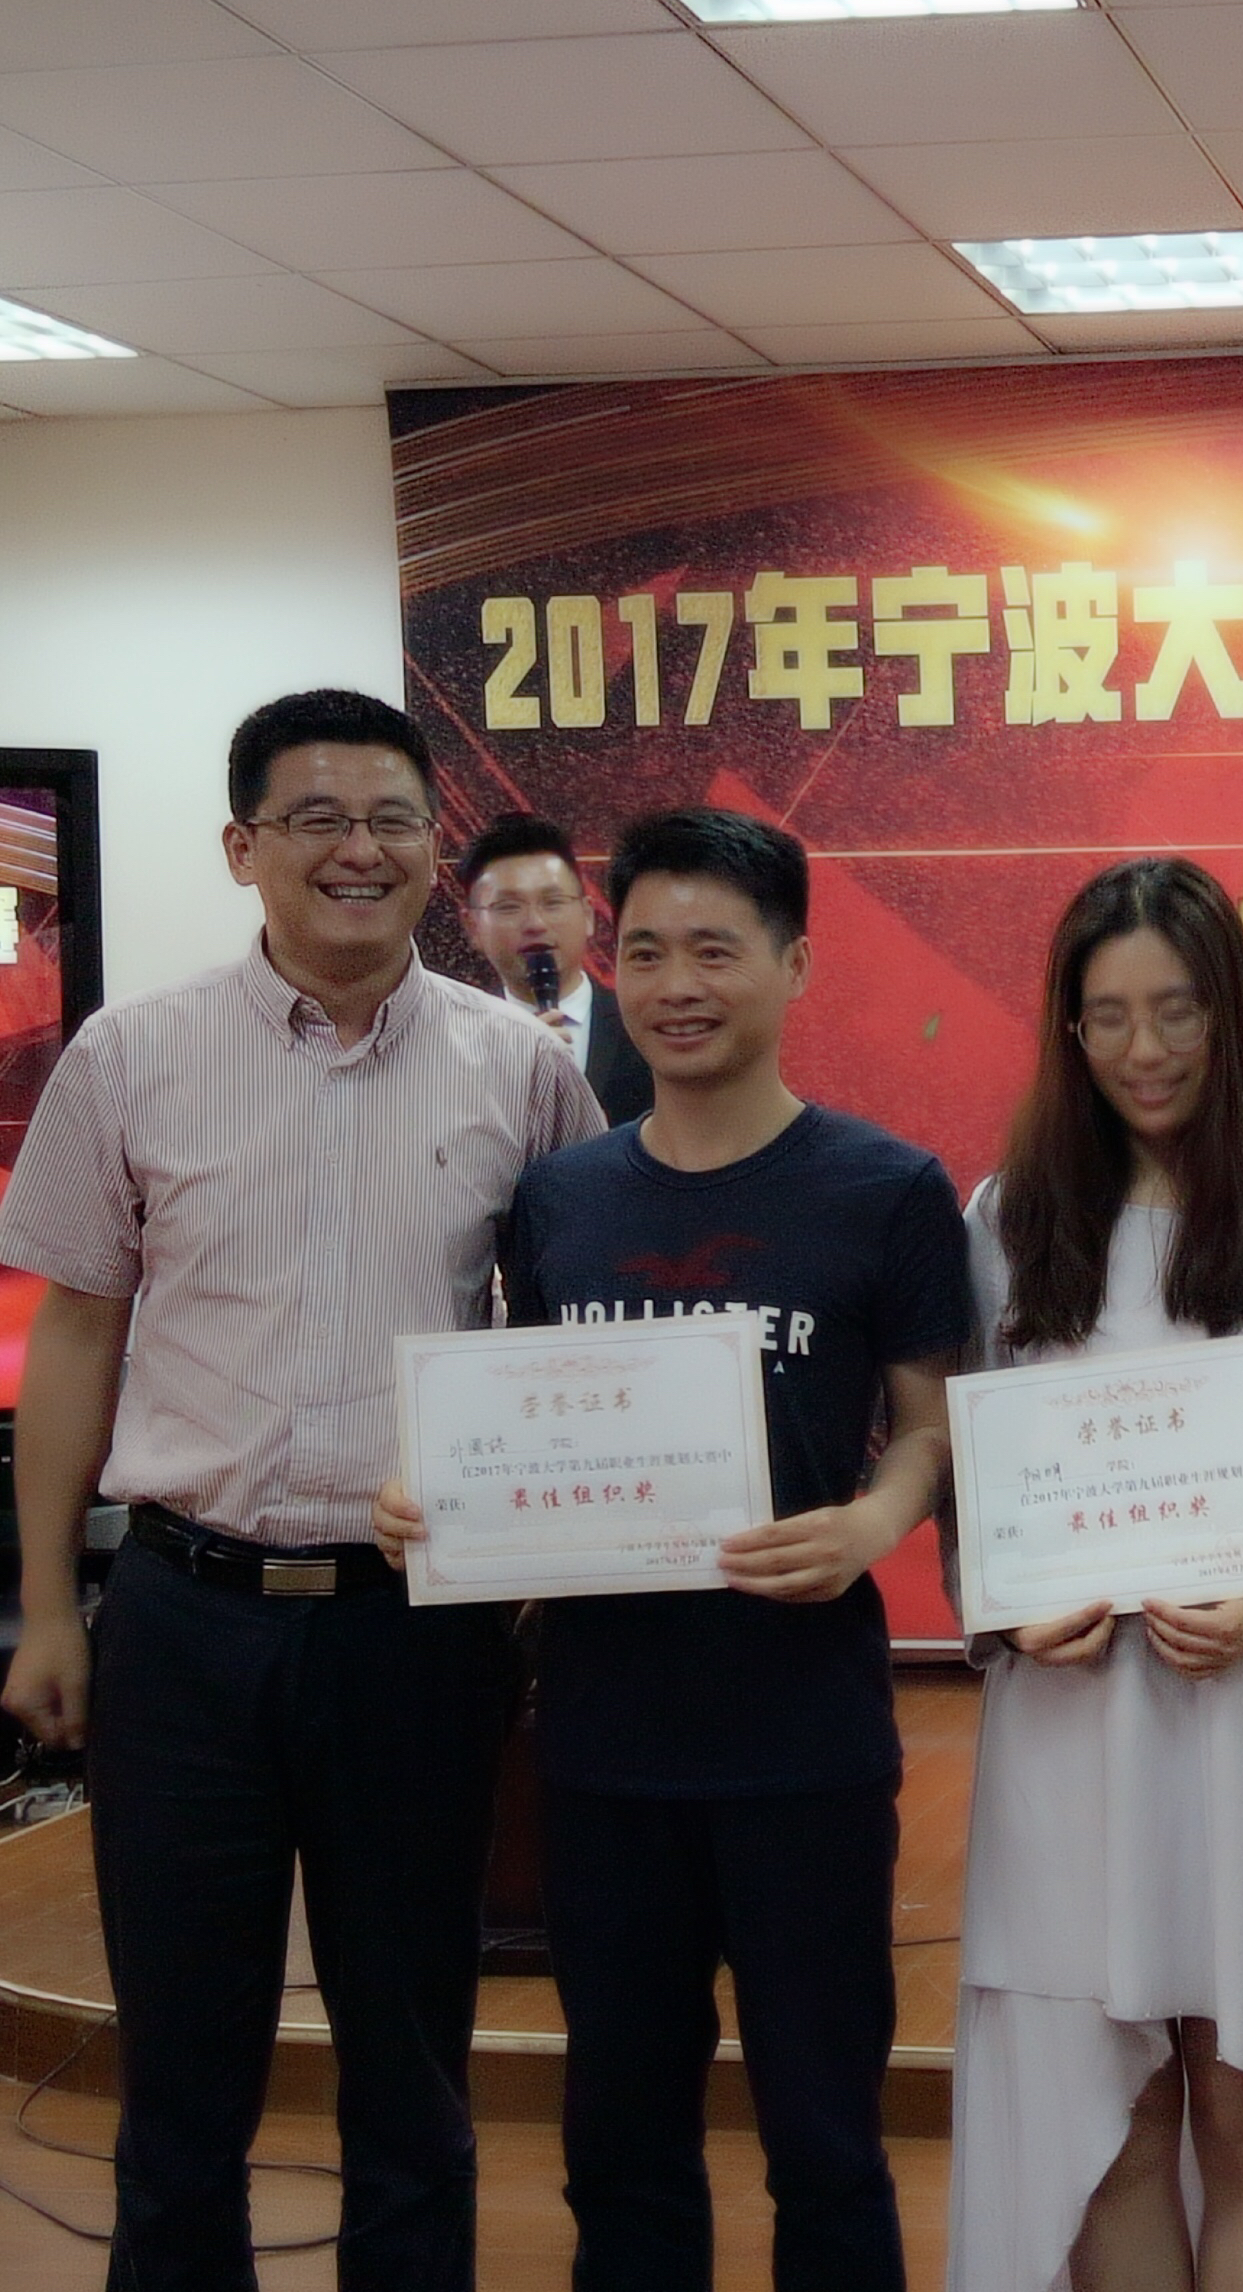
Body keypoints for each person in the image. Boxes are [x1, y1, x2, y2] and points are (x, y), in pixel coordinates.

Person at [0, 687, 605, 2290]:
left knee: (412, 2061)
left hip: (416, 1634)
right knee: (182, 2066)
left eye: (394, 820)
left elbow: (568, 1340)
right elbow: (76, 1333)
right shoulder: (134, 1056)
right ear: (241, 846)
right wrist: (49, 1604)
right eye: (319, 818)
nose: (360, 850)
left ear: (433, 853)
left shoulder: (519, 1069)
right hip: (185, 1621)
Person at [378, 806, 969, 2292]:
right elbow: (529, 1420)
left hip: (805, 1741)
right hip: (604, 1746)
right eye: (643, 951)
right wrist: (439, 1500)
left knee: (827, 2137)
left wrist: (872, 1522)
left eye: (715, 949)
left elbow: (930, 1425)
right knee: (623, 2141)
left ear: (796, 964)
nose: (675, 985)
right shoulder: (562, 1197)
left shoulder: (886, 1187)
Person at [941, 856, 1243, 2292]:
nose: (1143, 1049)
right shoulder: (1006, 1215)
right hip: (1070, 1728)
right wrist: (1008, 1603)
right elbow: (976, 1472)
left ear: (1230, 1015)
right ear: (1068, 1030)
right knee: (1115, 2120)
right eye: (1108, 1016)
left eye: (1176, 1010)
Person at [458, 809, 652, 1127]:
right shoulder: (452, 1045)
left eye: (553, 902)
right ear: (473, 927)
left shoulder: (645, 1025)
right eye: (509, 907)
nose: (535, 923)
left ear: (588, 916)